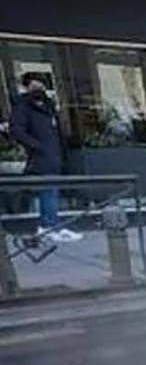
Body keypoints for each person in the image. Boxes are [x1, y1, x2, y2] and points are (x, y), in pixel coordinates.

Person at [9, 73, 80, 243]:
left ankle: (52, 225)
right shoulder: (22, 107)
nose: (39, 89)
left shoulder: (49, 107)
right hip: (40, 157)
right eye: (34, 86)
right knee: (47, 190)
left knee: (51, 191)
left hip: (53, 155)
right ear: (27, 88)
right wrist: (36, 146)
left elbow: (56, 131)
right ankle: (48, 226)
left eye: (41, 85)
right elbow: (17, 130)